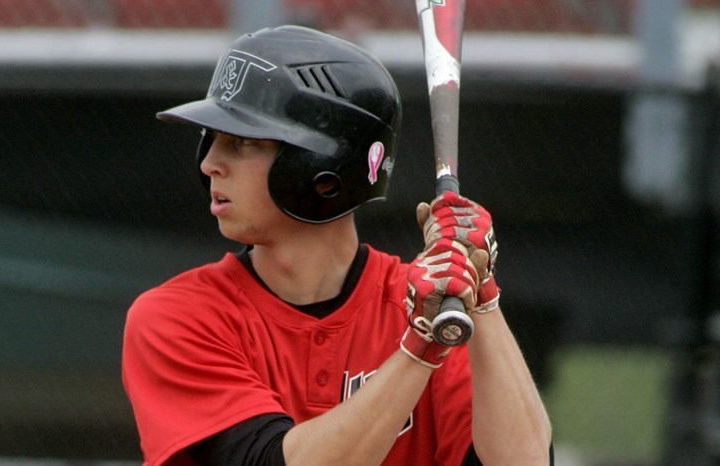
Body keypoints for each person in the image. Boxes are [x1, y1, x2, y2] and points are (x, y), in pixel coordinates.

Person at [122, 25, 553, 465]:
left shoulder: (431, 302)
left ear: (321, 169)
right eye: (211, 140)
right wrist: (421, 346)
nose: (211, 163)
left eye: (242, 142)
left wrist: (481, 292)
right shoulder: (178, 318)